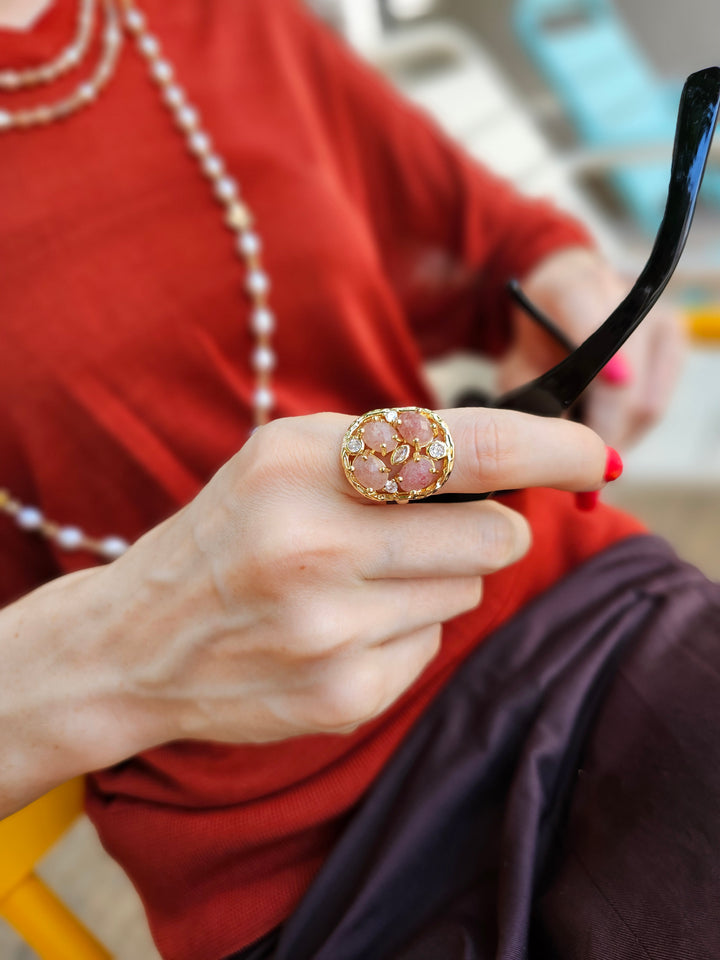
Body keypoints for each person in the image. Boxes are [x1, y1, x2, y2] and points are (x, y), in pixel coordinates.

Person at [2, 2, 717, 959]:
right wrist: (105, 657)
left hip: (574, 615)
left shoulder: (222, 23)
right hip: (293, 855)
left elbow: (500, 242)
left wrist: (569, 286)